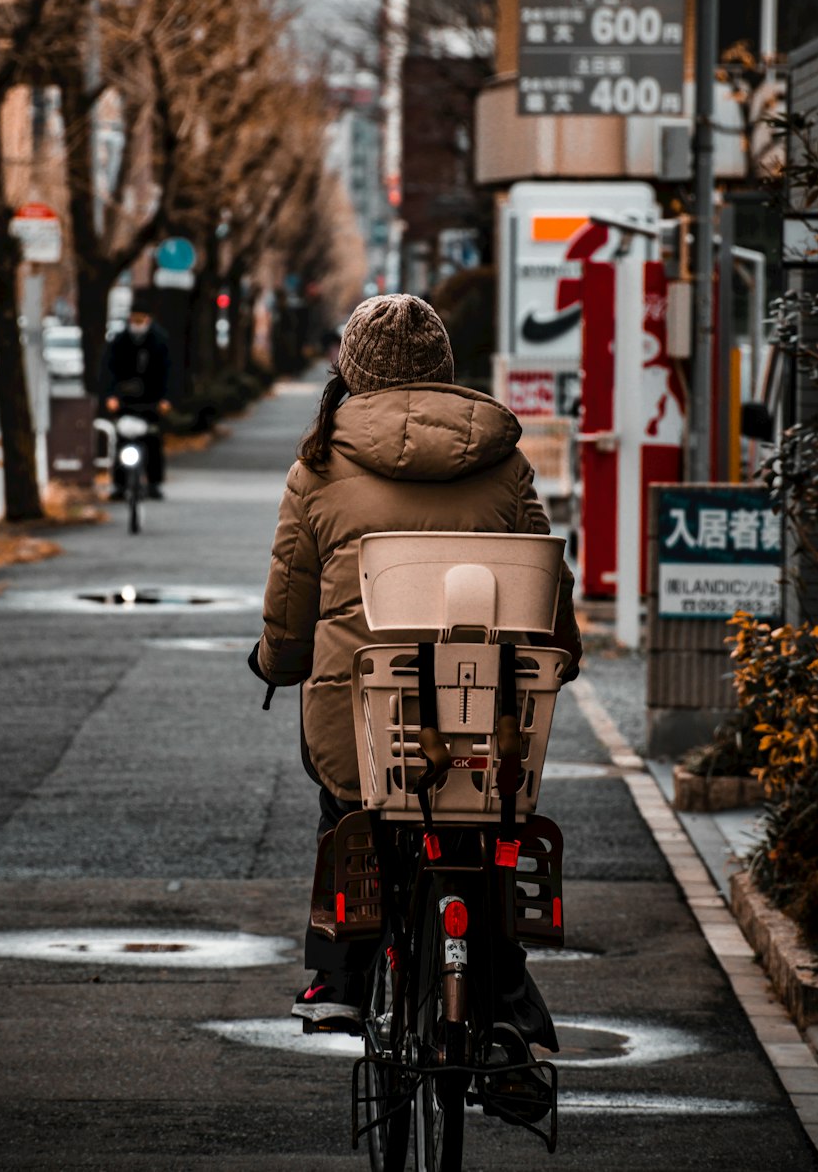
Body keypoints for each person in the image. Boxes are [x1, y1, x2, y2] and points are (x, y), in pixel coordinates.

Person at [249, 292, 583, 1041]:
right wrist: (565, 657)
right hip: (488, 715)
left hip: (363, 714)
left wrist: (279, 662)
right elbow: (545, 583)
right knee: (486, 820)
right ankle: (498, 993)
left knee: (349, 805)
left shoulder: (320, 463)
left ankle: (338, 975)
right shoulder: (504, 460)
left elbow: (292, 597)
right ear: (444, 367)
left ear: (353, 370)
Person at [100, 299, 172, 500]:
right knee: (122, 441)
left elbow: (169, 371)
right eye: (134, 318)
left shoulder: (159, 341)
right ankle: (120, 485)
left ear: (148, 319)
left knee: (153, 441)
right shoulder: (119, 341)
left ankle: (154, 483)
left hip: (151, 401)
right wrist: (110, 396)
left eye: (141, 318)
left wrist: (166, 398)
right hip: (125, 402)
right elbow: (108, 371)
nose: (137, 322)